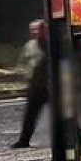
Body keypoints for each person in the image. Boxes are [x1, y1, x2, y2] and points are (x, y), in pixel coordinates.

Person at [12, 19, 50, 149]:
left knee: (62, 113)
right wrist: (24, 72)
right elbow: (23, 62)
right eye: (32, 30)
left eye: (37, 29)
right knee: (30, 115)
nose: (34, 32)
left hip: (52, 85)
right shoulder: (30, 45)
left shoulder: (52, 44)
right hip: (36, 85)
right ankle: (24, 140)